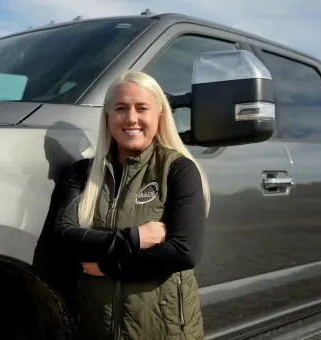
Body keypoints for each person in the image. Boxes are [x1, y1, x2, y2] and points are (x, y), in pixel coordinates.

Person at [50, 70, 211, 340]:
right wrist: (133, 238)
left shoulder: (178, 169)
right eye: (121, 108)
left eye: (142, 108)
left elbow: (184, 251)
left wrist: (108, 268)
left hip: (162, 330)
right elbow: (64, 236)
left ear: (159, 115)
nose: (131, 118)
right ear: (108, 117)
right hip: (96, 327)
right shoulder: (82, 173)